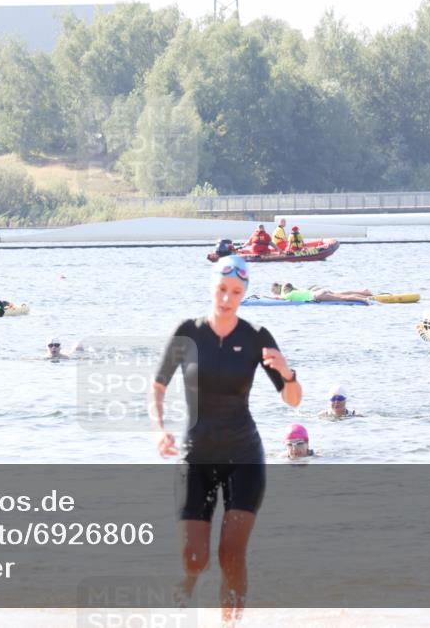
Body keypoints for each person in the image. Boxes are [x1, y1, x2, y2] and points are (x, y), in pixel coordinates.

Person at [153, 254, 302, 625]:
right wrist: (159, 429)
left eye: (236, 291)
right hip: (196, 457)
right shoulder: (188, 332)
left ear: (244, 293)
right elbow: (157, 386)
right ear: (211, 287)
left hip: (244, 457)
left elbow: (293, 400)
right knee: (194, 558)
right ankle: (189, 579)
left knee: (231, 555)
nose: (226, 298)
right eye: (221, 289)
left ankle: (230, 623)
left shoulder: (256, 337)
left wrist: (287, 373)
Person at [275, 283, 371, 304]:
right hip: (319, 292)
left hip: (318, 295)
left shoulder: (290, 295)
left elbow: (281, 298)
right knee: (341, 294)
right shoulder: (297, 290)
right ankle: (363, 292)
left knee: (343, 298)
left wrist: (273, 296)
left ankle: (364, 299)